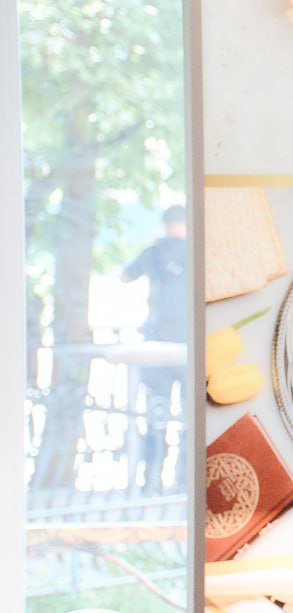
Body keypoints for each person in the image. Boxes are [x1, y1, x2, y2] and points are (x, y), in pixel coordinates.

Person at [121, 204, 186, 491]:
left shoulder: (154, 252)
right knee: (189, 417)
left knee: (155, 414)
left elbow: (125, 276)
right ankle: (184, 481)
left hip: (156, 343)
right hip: (187, 344)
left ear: (165, 224)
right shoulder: (195, 251)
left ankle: (151, 480)